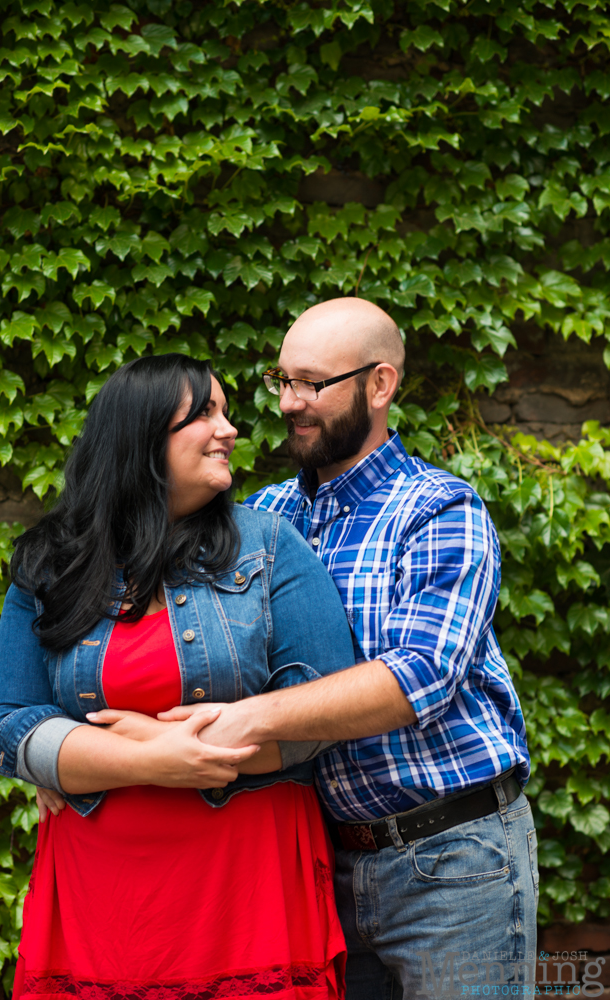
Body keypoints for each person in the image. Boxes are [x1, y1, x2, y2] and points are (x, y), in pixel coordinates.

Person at [155, 298, 537, 997]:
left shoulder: (439, 509)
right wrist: (74, 750)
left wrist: (252, 718)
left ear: (379, 384)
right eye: (280, 381)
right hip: (314, 862)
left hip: (453, 856)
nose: (288, 403)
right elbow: (171, 643)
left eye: (310, 383)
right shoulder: (262, 517)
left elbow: (416, 678)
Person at [0, 353, 357, 1000]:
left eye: (227, 411)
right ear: (142, 436)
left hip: (245, 886)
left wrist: (99, 753)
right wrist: (155, 759)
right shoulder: (52, 562)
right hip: (100, 892)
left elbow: (323, 706)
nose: (231, 428)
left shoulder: (269, 546)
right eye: (205, 412)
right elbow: (11, 721)